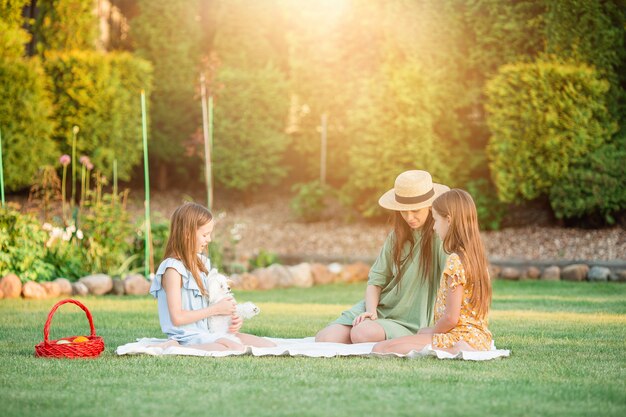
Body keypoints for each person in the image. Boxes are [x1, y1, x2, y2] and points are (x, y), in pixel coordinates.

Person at [315, 170, 450, 344]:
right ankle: (371, 326)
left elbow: (451, 281)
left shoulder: (439, 237)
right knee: (325, 338)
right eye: (403, 211)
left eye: (415, 210)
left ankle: (382, 333)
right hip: (377, 308)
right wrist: (371, 312)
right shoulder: (396, 237)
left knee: (361, 334)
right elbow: (376, 281)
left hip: (409, 320)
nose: (409, 217)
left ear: (430, 206)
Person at [372, 189, 493, 354]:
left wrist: (433, 330)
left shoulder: (455, 261)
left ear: (448, 220)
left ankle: (454, 350)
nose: (434, 227)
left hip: (458, 336)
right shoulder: (474, 257)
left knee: (380, 348)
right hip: (478, 337)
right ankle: (455, 347)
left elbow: (451, 318)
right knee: (400, 342)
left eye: (436, 220)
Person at [149, 202, 275, 351]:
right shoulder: (172, 269)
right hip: (186, 336)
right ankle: (174, 346)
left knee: (268, 345)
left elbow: (211, 304)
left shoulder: (201, 263)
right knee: (235, 347)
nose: (209, 239)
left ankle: (210, 342)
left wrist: (229, 318)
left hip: (207, 333)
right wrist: (216, 309)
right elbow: (177, 318)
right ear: (187, 233)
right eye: (204, 234)